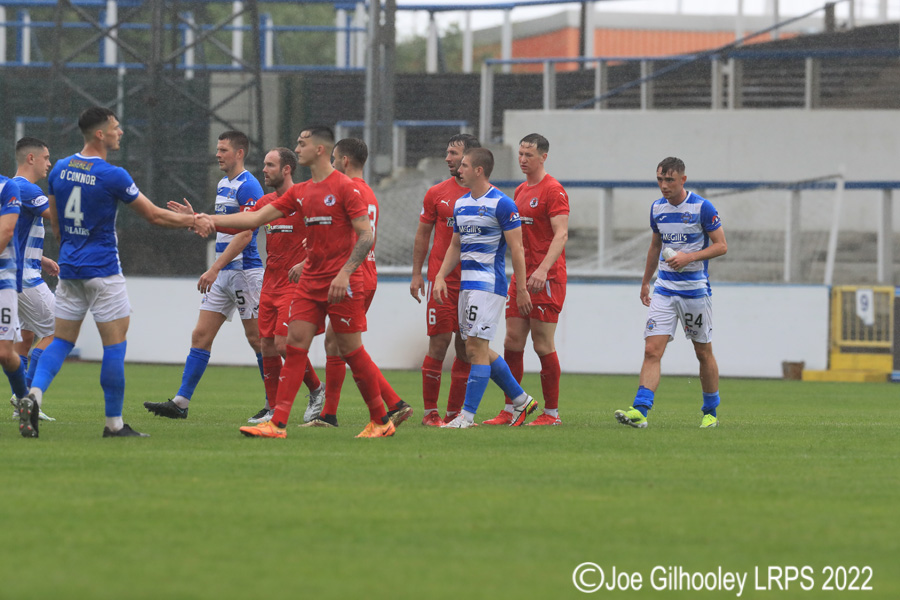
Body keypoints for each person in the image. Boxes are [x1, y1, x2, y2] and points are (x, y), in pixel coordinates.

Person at [194, 125, 400, 439]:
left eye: (302, 144)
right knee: (292, 345)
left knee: (351, 352)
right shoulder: (301, 192)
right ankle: (277, 424)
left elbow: (366, 235)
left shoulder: (347, 188)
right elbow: (253, 220)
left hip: (344, 283)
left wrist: (344, 273)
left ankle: (381, 420)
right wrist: (207, 219)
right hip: (310, 284)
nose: (297, 148)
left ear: (319, 150)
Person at [21, 106, 197, 438]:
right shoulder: (113, 174)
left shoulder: (59, 169)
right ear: (100, 133)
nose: (121, 132)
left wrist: (71, 248)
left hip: (71, 269)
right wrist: (194, 220)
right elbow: (154, 216)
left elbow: (55, 223)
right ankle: (114, 424)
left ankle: (33, 395)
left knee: (60, 340)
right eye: (116, 127)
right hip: (103, 270)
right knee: (114, 347)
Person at [144, 131, 265, 420]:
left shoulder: (249, 186)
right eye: (218, 149)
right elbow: (225, 227)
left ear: (239, 153)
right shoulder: (224, 183)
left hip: (244, 273)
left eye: (223, 149)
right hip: (223, 273)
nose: (218, 154)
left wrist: (214, 268)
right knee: (200, 335)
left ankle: (275, 403)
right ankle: (181, 403)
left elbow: (246, 233)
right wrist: (196, 217)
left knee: (258, 340)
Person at [303, 137, 412, 428]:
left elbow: (351, 235)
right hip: (365, 271)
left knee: (349, 348)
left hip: (353, 275)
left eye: (335, 158)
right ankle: (331, 414)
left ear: (345, 161)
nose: (333, 164)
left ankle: (392, 404)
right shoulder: (369, 193)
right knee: (337, 344)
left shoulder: (349, 190)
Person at [614, 156, 727, 429]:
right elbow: (655, 246)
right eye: (660, 180)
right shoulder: (657, 209)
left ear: (683, 180)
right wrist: (645, 281)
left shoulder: (702, 207)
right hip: (664, 288)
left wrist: (689, 258)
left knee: (703, 352)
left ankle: (710, 412)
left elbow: (721, 245)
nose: (664, 186)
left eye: (670, 180)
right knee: (652, 350)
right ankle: (640, 411)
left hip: (695, 292)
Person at [433, 148, 538, 429]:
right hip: (467, 285)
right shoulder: (461, 204)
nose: (459, 170)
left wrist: (523, 288)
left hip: (489, 285)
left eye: (464, 165)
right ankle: (522, 400)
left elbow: (518, 249)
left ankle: (466, 417)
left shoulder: (502, 204)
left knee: (476, 349)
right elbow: (455, 245)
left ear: (479, 170)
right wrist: (441, 275)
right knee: (474, 347)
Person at [485, 133, 569, 426]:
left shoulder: (553, 190)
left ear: (543, 157)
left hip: (547, 277)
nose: (522, 159)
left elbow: (561, 234)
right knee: (512, 340)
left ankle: (551, 413)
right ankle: (512, 408)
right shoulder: (520, 191)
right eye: (520, 154)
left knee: (543, 344)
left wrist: (543, 269)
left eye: (529, 155)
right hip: (521, 278)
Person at [244, 147, 325, 425]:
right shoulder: (267, 202)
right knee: (266, 344)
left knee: (282, 345)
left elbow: (325, 233)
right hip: (270, 282)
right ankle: (272, 407)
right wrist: (198, 219)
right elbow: (243, 226)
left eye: (270, 165)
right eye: (264, 165)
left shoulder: (304, 199)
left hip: (296, 284)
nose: (264, 170)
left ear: (287, 169)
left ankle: (316, 389)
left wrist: (307, 258)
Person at [409, 133, 479, 426]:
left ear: (469, 158)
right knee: (438, 345)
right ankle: (430, 414)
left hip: (474, 285)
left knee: (466, 349)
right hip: (443, 284)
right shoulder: (437, 193)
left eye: (453, 153)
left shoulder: (488, 197)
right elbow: (423, 235)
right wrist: (416, 274)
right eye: (447, 152)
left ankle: (454, 414)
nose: (448, 158)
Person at [10, 137, 59, 422]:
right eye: (46, 158)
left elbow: (12, 234)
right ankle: (27, 399)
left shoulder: (9, 189)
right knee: (60, 332)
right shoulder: (26, 188)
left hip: (20, 272)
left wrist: (41, 258)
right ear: (31, 158)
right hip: (24, 278)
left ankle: (22, 399)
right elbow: (55, 217)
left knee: (26, 338)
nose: (49, 163)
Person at [0, 174, 31, 436]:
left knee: (4, 353)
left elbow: (7, 230)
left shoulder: (8, 187)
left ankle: (25, 402)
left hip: (3, 280)